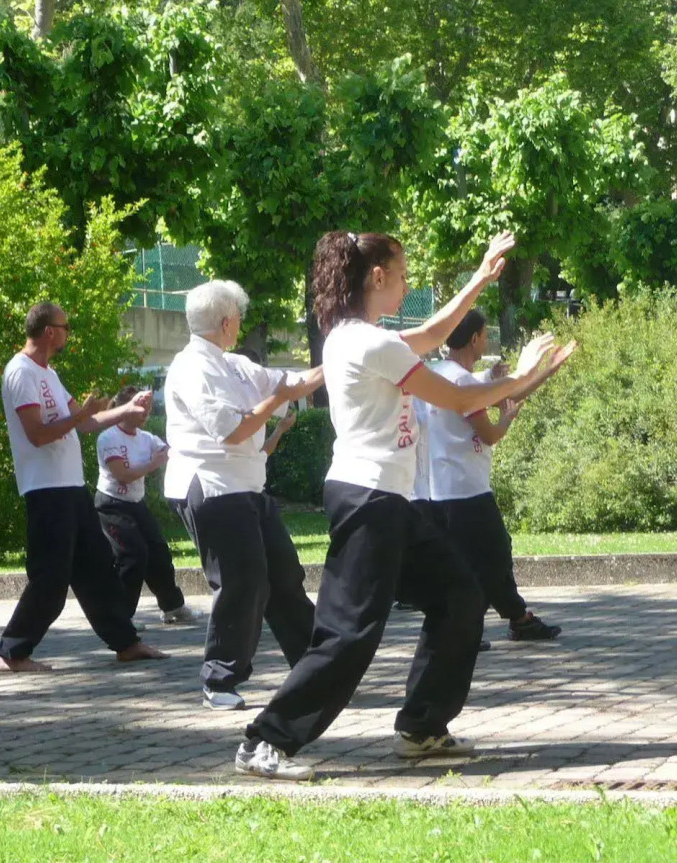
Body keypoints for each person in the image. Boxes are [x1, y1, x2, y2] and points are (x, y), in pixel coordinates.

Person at [237, 230, 565, 781]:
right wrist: (526, 377)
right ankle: (265, 741)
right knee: (349, 632)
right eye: (404, 274)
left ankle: (421, 728)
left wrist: (482, 276)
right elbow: (459, 399)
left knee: (461, 596)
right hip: (370, 500)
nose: (408, 283)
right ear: (378, 277)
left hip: (388, 500)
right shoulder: (370, 344)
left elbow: (434, 332)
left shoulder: (350, 335)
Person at [164, 280, 325, 710]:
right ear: (225, 320)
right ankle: (219, 681)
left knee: (285, 577)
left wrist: (348, 356)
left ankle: (318, 669)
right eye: (238, 316)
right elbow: (233, 429)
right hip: (211, 485)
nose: (240, 323)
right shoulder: (190, 367)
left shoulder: (234, 364)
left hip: (248, 487)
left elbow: (294, 382)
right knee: (243, 581)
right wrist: (276, 399)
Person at [0, 302, 168, 672]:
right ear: (49, 332)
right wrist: (78, 415)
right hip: (45, 490)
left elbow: (85, 422)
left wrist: (124, 412)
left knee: (98, 570)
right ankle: (13, 652)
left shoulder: (49, 375)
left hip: (71, 487)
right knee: (51, 579)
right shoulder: (20, 372)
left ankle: (126, 643)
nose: (68, 333)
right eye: (66, 326)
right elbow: (39, 434)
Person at [416, 309, 570, 642]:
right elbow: (491, 432)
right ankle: (475, 625)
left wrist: (542, 371)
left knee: (477, 560)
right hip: (466, 492)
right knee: (494, 555)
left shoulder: (443, 373)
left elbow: (504, 389)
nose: (487, 340)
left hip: (444, 492)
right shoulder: (461, 382)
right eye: (485, 335)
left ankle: (507, 619)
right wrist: (508, 418)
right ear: (474, 339)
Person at [94, 386, 197, 625]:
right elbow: (123, 475)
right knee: (132, 556)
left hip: (135, 503)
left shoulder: (146, 438)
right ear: (125, 408)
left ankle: (173, 607)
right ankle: (120, 618)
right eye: (140, 407)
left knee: (159, 551)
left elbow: (170, 452)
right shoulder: (108, 437)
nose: (145, 413)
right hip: (111, 505)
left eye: (148, 408)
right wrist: (154, 463)